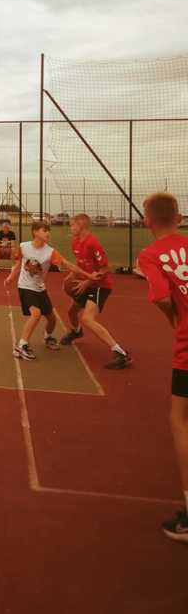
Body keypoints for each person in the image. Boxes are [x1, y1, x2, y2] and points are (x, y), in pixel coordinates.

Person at [137, 192, 188, 543]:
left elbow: (158, 295)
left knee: (179, 419)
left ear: (147, 221)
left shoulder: (151, 254)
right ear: (180, 216)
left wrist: (174, 320)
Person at [4, 220, 100, 360]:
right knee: (36, 314)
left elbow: (68, 265)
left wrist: (88, 275)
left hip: (40, 288)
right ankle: (21, 346)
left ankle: (48, 337)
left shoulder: (50, 252)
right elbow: (19, 263)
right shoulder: (24, 246)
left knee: (52, 319)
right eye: (44, 230)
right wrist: (11, 276)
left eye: (49, 231)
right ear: (35, 232)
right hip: (25, 286)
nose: (48, 233)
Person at [59, 214, 132, 369]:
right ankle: (76, 332)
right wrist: (70, 276)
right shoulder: (76, 242)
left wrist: (88, 281)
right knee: (71, 311)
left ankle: (120, 353)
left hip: (100, 286)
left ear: (81, 226)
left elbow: (105, 268)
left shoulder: (93, 243)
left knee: (87, 318)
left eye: (72, 225)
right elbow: (80, 262)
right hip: (87, 284)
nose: (70, 228)